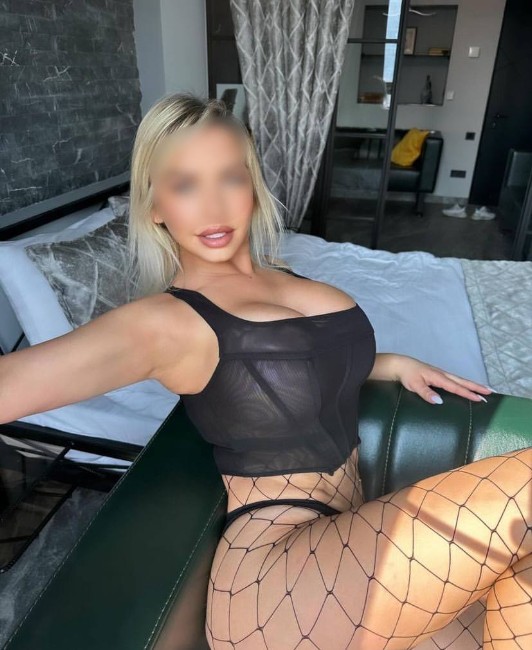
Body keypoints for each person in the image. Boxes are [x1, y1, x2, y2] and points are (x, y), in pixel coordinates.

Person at [1, 92, 530, 650]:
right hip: (276, 583)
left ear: (252, 187)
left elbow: (294, 364)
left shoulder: (283, 274)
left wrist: (390, 363)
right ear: (155, 205)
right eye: (185, 185)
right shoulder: (162, 323)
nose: (213, 207)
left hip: (349, 546)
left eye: (230, 178)